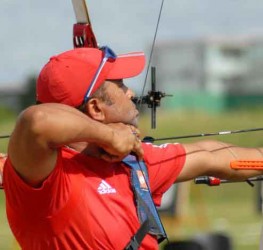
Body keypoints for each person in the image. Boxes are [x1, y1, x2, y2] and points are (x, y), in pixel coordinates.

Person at [3, 46, 263, 250]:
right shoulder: (46, 177)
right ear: (95, 108)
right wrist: (109, 135)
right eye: (120, 85)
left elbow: (209, 157)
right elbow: (36, 121)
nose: (129, 92)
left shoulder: (131, 161)